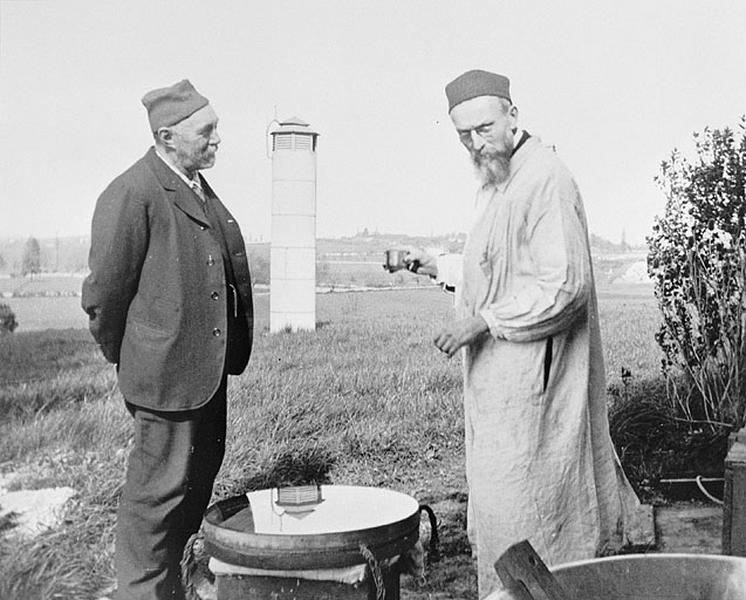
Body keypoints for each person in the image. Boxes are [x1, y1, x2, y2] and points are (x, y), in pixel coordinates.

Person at [404, 70, 639, 598]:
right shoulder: (499, 179)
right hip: (501, 392)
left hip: (537, 392)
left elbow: (564, 288)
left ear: (514, 115)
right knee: (505, 526)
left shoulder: (545, 179)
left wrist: (484, 321)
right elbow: (499, 270)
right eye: (462, 135)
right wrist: (434, 264)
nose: (474, 143)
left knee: (537, 521)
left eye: (484, 128)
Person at [81, 79, 253, 600]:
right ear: (166, 137)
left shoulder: (192, 182)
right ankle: (139, 592)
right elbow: (104, 297)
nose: (219, 139)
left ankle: (171, 587)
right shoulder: (132, 193)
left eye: (216, 127)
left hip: (206, 377)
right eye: (207, 131)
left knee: (192, 488)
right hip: (164, 381)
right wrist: (134, 358)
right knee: (154, 502)